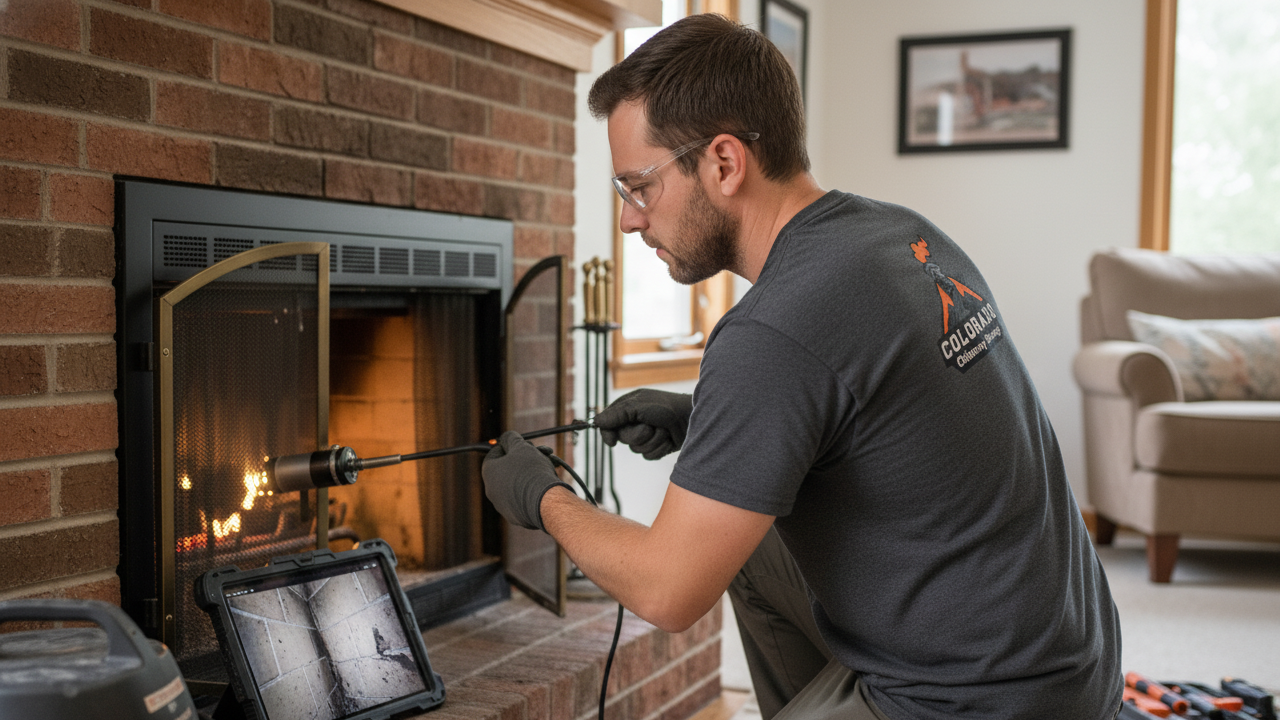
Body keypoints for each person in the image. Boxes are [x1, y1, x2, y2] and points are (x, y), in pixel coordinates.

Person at [481, 13, 1121, 720]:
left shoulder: (771, 330)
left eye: (639, 186)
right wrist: (709, 422)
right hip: (1070, 661)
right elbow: (895, 414)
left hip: (980, 703)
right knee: (744, 546)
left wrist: (542, 498)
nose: (630, 219)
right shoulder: (900, 234)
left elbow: (668, 592)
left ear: (724, 163)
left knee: (690, 555)